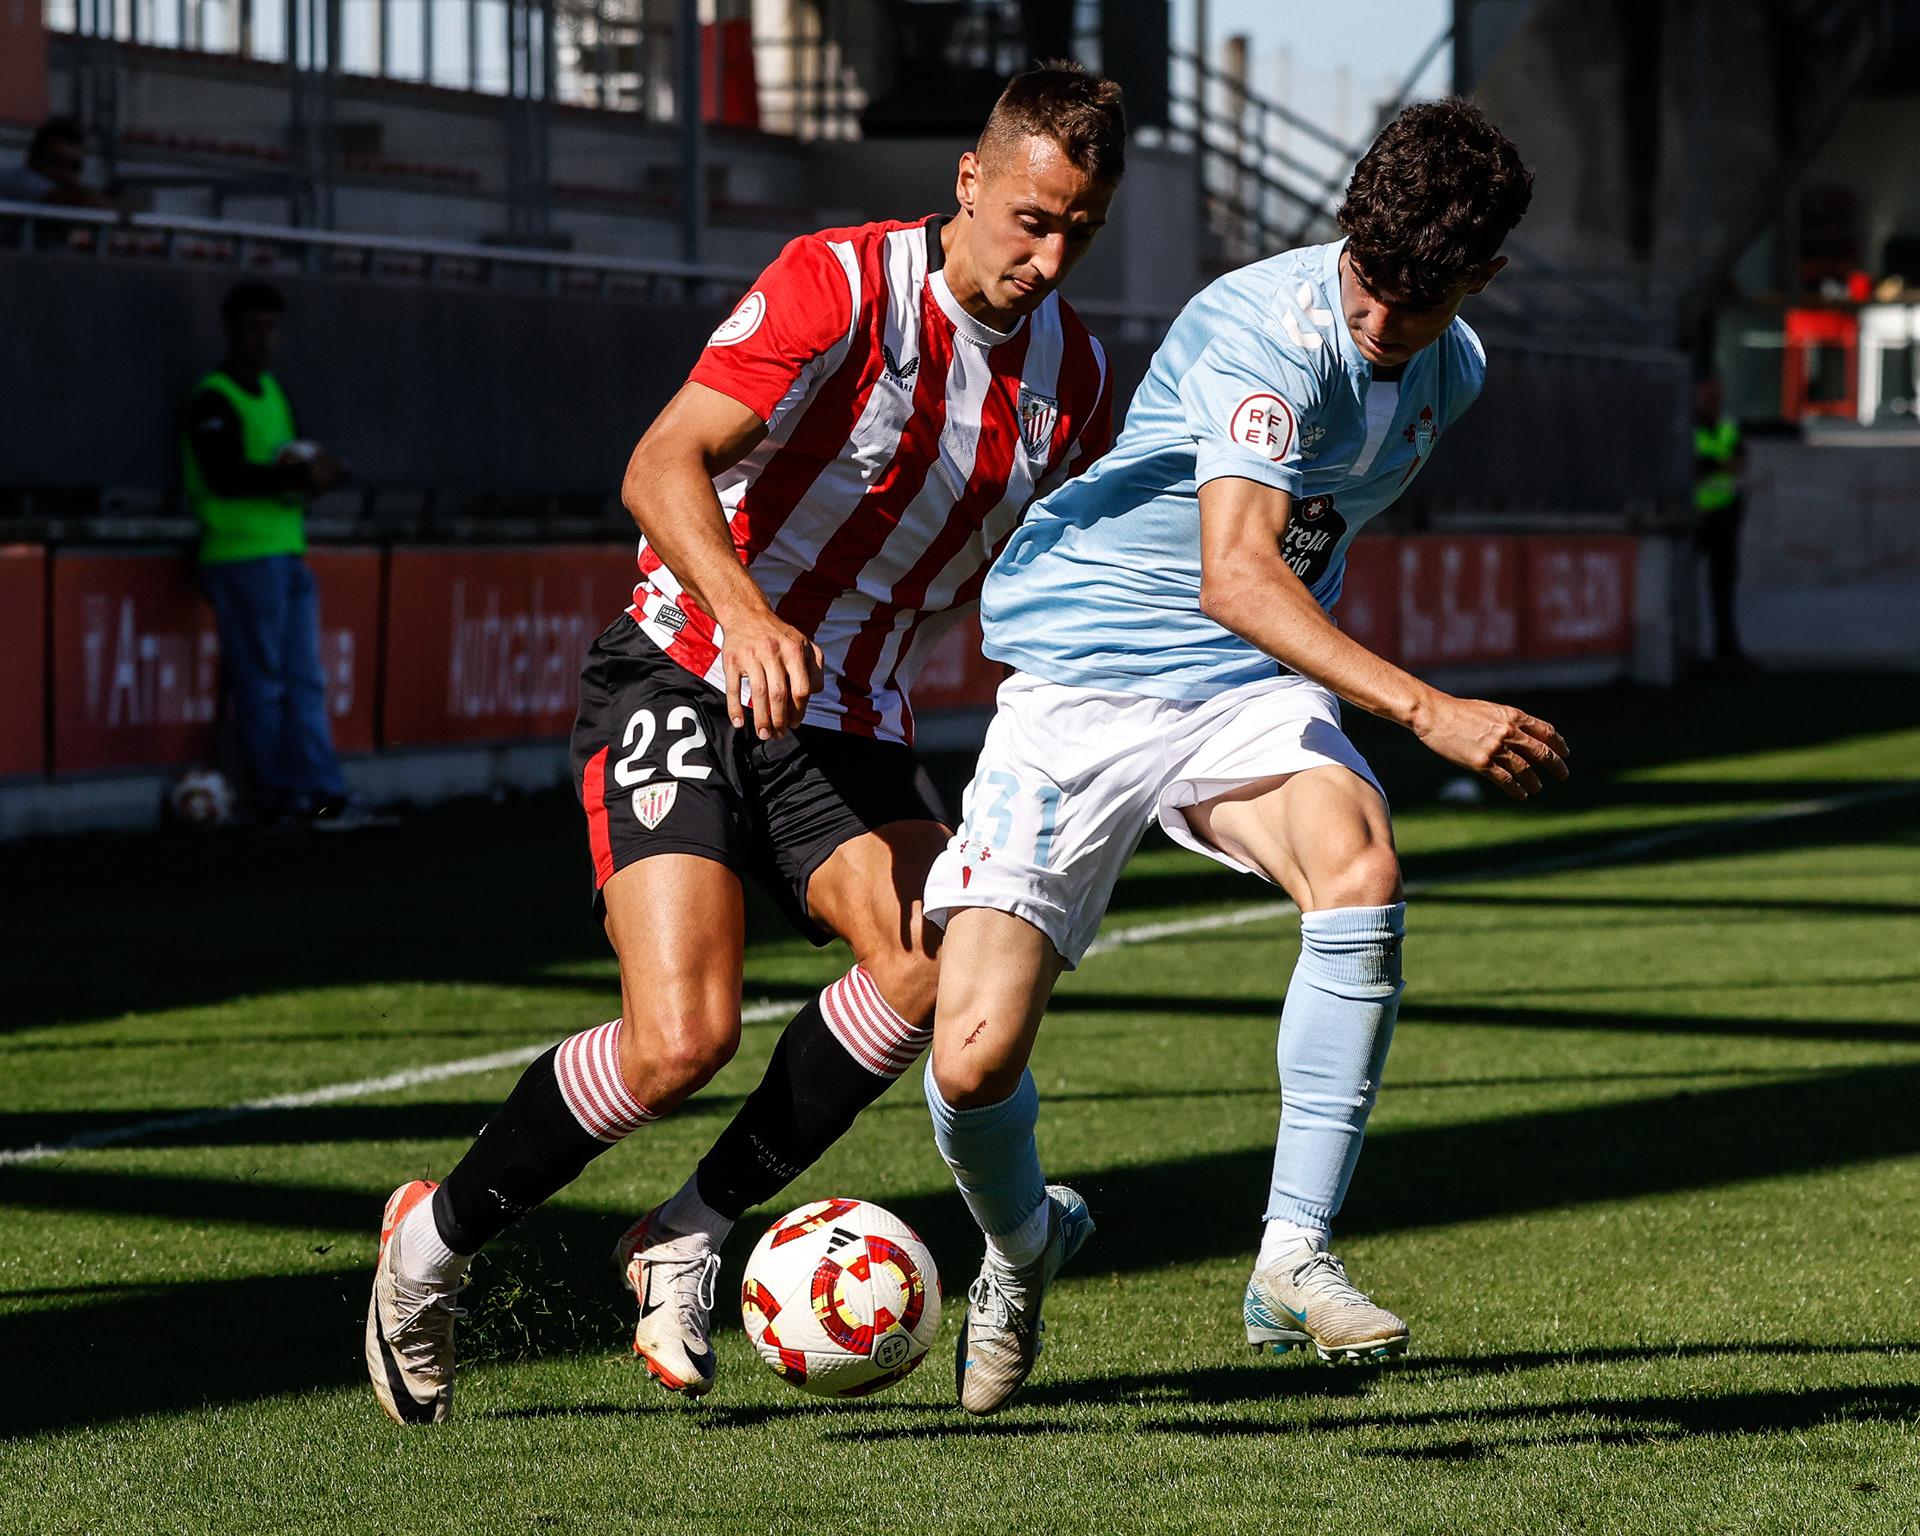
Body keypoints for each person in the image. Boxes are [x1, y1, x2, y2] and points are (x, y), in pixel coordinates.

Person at [364, 63, 1126, 1426]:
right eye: (1031, 219)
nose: (1049, 259)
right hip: (685, 667)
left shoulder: (1078, 381)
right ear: (969, 180)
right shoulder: (840, 282)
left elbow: (1073, 578)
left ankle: (689, 1229)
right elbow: (660, 463)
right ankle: (428, 1247)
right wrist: (748, 614)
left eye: (1080, 232)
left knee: (932, 970)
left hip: (852, 718)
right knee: (681, 1040)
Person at [913, 99, 1568, 1416]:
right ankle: (1023, 1246)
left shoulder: (1455, 369)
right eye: (1369, 284)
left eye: (1419, 301)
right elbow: (1238, 573)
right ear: (1348, 235)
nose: (1380, 320)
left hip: (1237, 692)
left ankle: (1291, 1257)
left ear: (1483, 278)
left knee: (1359, 867)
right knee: (972, 1059)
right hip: (1085, 683)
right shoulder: (1263, 329)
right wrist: (1427, 711)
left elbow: (1280, 575)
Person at [182, 280, 374, 830]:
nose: (263, 339)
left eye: (270, 327)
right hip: (241, 553)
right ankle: (276, 798)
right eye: (253, 327)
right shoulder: (214, 396)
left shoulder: (273, 391)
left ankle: (321, 796)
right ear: (230, 330)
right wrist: (297, 475)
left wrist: (322, 473)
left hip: (286, 552)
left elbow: (295, 461)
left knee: (303, 682)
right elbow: (225, 474)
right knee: (265, 684)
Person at [1692, 376, 1747, 668]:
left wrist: (1710, 464)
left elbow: (1739, 462)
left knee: (1723, 587)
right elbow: (1693, 466)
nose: (1715, 400)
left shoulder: (1727, 428)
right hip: (1694, 519)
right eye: (1709, 394)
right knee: (1685, 585)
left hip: (1723, 518)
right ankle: (1688, 647)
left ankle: (1726, 647)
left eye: (1717, 395)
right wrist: (1718, 465)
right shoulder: (1689, 427)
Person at [0, 118, 104, 207]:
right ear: (32, 161)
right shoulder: (16, 182)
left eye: (74, 167)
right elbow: (60, 198)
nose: (66, 174)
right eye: (57, 163)